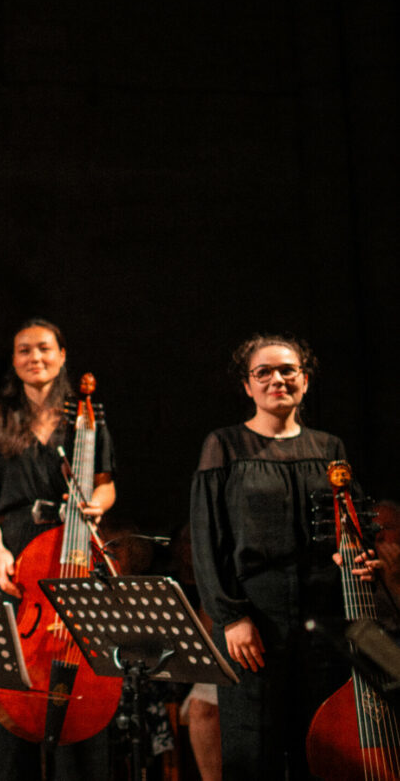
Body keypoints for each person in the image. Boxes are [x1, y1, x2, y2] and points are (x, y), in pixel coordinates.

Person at [189, 333, 360, 779]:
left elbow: (351, 530)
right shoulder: (224, 446)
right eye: (263, 372)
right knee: (254, 751)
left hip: (323, 617)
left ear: (305, 379)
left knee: (319, 746)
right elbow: (208, 542)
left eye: (288, 370)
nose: (277, 380)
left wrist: (357, 556)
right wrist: (230, 616)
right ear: (247, 386)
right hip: (255, 619)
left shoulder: (329, 448)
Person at [0, 318, 116, 780]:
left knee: (79, 681)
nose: (36, 358)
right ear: (14, 361)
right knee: (14, 685)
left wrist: (95, 506)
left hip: (72, 556)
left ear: (63, 354)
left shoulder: (87, 420)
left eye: (45, 349)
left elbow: (106, 486)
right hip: (14, 562)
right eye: (25, 351)